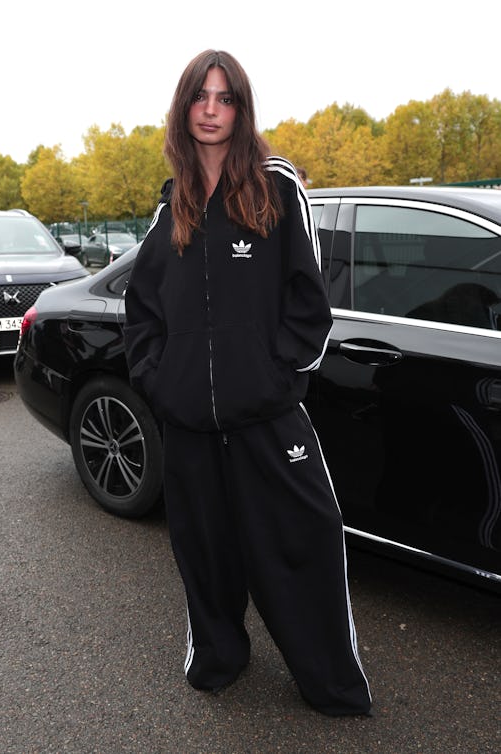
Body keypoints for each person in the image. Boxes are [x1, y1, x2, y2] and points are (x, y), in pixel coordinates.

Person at [123, 50, 372, 718]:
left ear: (241, 107)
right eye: (200, 97)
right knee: (203, 553)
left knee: (306, 543)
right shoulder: (170, 203)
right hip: (191, 427)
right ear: (183, 108)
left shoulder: (275, 186)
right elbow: (142, 306)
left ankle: (332, 685)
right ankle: (218, 659)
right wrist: (159, 380)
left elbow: (309, 304)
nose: (211, 109)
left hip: (266, 416)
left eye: (225, 97)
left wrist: (275, 375)